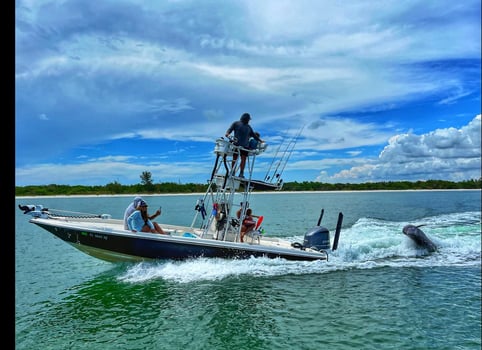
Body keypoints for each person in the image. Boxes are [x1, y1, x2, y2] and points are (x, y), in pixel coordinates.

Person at [225, 112, 263, 178]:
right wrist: (227, 133)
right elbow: (230, 129)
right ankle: (232, 171)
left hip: (245, 146)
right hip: (236, 144)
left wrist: (260, 140)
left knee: (243, 159)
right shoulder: (236, 123)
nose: (249, 121)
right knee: (235, 158)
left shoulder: (249, 127)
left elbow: (254, 135)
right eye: (248, 119)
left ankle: (241, 173)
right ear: (245, 119)